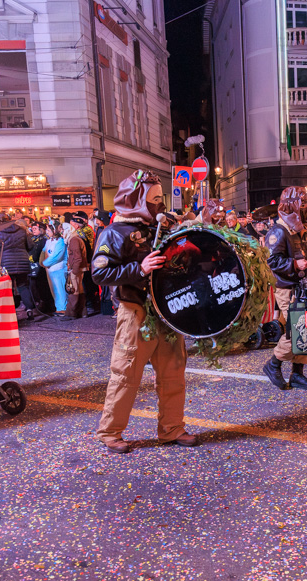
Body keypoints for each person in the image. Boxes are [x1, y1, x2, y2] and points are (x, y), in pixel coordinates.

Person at [91, 170, 197, 454]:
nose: (159, 205)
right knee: (126, 373)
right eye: (153, 199)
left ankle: (172, 428)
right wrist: (139, 268)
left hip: (167, 311)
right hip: (135, 309)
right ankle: (110, 431)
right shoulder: (114, 232)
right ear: (136, 200)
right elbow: (99, 273)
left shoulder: (159, 229)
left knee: (174, 371)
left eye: (160, 199)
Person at [262, 187, 307, 390]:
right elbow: (271, 260)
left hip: (303, 285)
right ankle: (273, 364)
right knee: (299, 329)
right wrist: (295, 265)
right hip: (288, 287)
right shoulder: (279, 230)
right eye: (302, 203)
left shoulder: (301, 227)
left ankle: (297, 374)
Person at [0, 212, 38, 321]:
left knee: (8, 288)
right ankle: (30, 309)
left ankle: (11, 312)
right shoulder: (21, 230)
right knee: (23, 286)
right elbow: (30, 245)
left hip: (5, 264)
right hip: (22, 262)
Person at [42, 222, 68, 317]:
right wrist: (41, 259)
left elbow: (57, 257)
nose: (47, 232)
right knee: (54, 290)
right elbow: (44, 250)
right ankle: (58, 307)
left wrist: (44, 263)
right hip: (49, 270)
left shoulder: (60, 241)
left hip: (58, 269)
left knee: (60, 289)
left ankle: (63, 308)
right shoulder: (49, 241)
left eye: (49, 230)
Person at [63, 222, 87, 319]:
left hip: (76, 268)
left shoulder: (73, 240)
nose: (62, 233)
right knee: (79, 289)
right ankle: (82, 312)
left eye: (63, 231)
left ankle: (71, 313)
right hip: (79, 267)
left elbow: (77, 257)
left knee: (73, 290)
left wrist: (74, 270)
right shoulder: (75, 238)